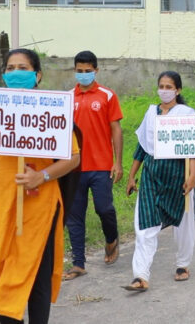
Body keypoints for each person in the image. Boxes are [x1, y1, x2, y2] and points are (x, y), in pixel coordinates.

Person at [0, 48, 81, 324]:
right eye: (10, 68)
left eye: (23, 68)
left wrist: (42, 176)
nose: (15, 73)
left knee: (35, 270)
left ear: (37, 76)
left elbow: (74, 157)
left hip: (39, 204)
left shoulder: (53, 110)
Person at [124, 71, 195, 292]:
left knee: (183, 223)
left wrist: (191, 176)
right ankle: (140, 275)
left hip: (177, 175)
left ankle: (183, 264)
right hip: (152, 175)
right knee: (145, 223)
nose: (164, 90)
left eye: (169, 86)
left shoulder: (186, 113)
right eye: (161, 86)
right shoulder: (150, 113)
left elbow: (192, 147)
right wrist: (132, 175)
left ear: (178, 90)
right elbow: (143, 146)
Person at [64, 51, 123, 281]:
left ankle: (112, 239)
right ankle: (78, 263)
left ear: (96, 71)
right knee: (74, 216)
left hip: (101, 165)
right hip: (74, 167)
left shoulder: (107, 96)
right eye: (79, 71)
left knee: (104, 208)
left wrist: (118, 162)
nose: (84, 74)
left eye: (88, 71)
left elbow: (116, 129)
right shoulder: (68, 98)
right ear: (74, 71)